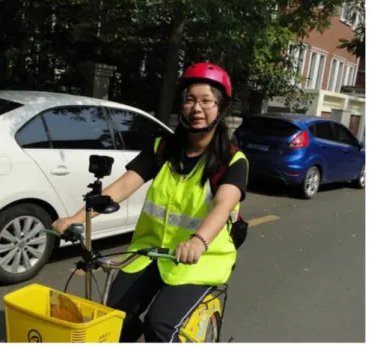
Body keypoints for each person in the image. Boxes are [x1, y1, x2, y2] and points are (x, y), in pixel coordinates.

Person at [52, 62, 249, 343]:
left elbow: (223, 206)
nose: (197, 108)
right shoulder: (163, 148)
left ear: (221, 108)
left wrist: (198, 242)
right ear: (181, 105)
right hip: (151, 252)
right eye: (190, 100)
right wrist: (77, 218)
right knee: (113, 317)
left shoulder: (232, 161)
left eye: (207, 101)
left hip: (201, 259)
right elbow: (122, 186)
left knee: (159, 326)